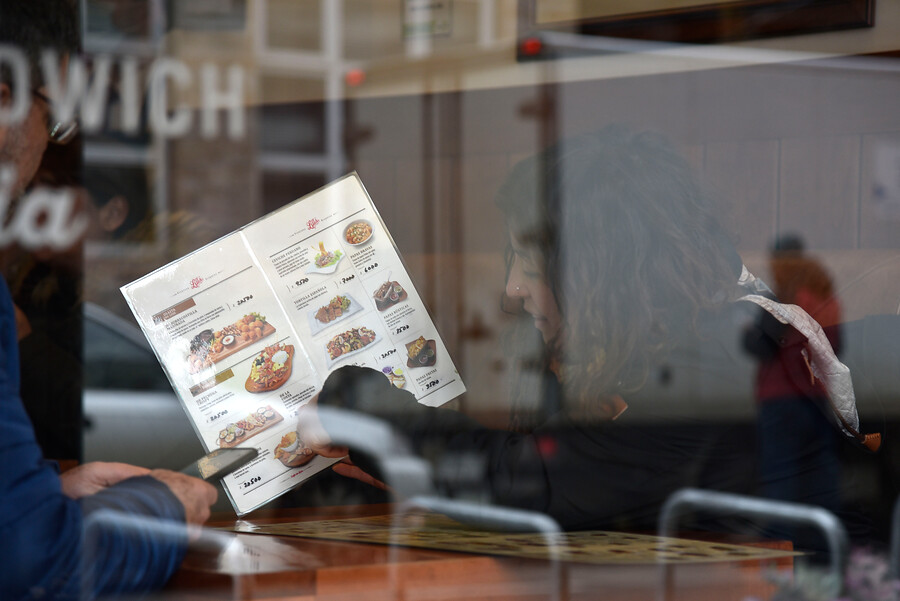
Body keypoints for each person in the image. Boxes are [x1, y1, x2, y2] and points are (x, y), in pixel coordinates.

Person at [296, 126, 869, 537]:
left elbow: (534, 485)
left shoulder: (721, 363)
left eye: (529, 262)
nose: (511, 291)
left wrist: (361, 407)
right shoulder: (703, 335)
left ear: (599, 272)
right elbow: (566, 484)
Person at [0, 3, 217, 599]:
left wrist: (43, 487)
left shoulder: (144, 296)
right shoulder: (32, 288)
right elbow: (38, 564)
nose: (42, 155)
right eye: (57, 121)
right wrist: (163, 506)